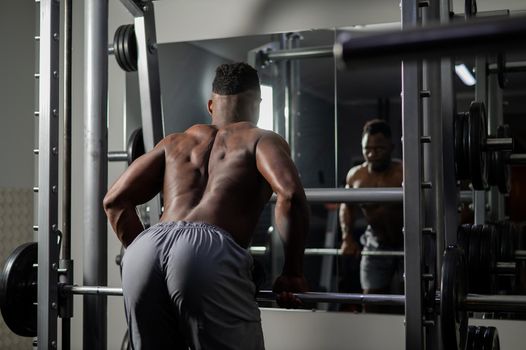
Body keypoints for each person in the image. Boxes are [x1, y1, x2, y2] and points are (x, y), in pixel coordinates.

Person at [104, 62, 309, 349]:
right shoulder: (261, 139)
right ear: (258, 104)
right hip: (207, 251)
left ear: (212, 104)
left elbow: (114, 201)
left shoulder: (174, 142)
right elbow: (290, 195)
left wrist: (152, 257)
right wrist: (293, 273)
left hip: (145, 250)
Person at [339, 119, 403, 310]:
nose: (372, 154)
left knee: (413, 300)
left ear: (392, 147)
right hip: (376, 242)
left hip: (407, 242)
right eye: (367, 148)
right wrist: (347, 237)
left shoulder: (404, 173)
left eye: (379, 148)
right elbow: (347, 206)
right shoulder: (356, 176)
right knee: (371, 301)